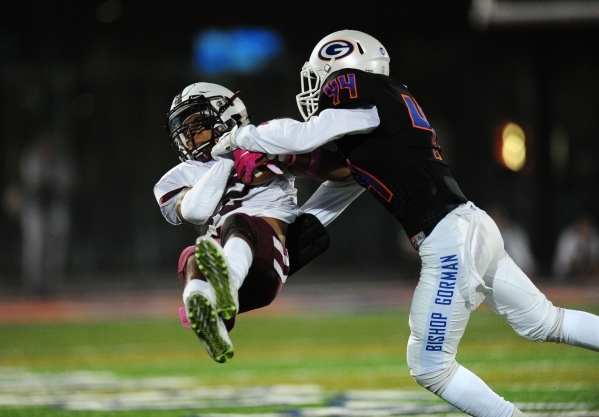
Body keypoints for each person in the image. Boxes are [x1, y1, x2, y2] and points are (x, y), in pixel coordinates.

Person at [211, 30, 599, 417]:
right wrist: (279, 242)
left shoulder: (361, 90)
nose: (317, 89)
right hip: (471, 226)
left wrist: (243, 136)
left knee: (430, 366)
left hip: (449, 238)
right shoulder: (380, 120)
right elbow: (334, 190)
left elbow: (305, 134)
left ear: (343, 67)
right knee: (546, 321)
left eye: (321, 76)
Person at [153, 82, 363, 364]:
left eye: (196, 123)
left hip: (266, 264)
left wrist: (285, 153)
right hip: (227, 262)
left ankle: (225, 283)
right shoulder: (177, 178)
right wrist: (228, 159)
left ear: (227, 116)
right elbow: (194, 210)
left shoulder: (261, 139)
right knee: (192, 257)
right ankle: (210, 318)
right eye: (183, 128)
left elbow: (344, 171)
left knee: (238, 222)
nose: (188, 135)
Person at [18, 129, 76, 295]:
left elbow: (68, 184)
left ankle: (52, 286)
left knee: (55, 251)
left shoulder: (61, 161)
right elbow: (31, 181)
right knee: (34, 250)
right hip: (35, 208)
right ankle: (33, 287)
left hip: (56, 207)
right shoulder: (32, 158)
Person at [487, 205, 538, 277]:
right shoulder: (477, 235)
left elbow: (528, 266)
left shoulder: (514, 235)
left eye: (497, 217)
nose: (495, 220)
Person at [552, 212, 599, 281]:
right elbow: (565, 264)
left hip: (588, 276)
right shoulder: (568, 237)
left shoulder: (593, 236)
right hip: (565, 277)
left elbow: (595, 261)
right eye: (582, 226)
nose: (585, 229)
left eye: (587, 226)